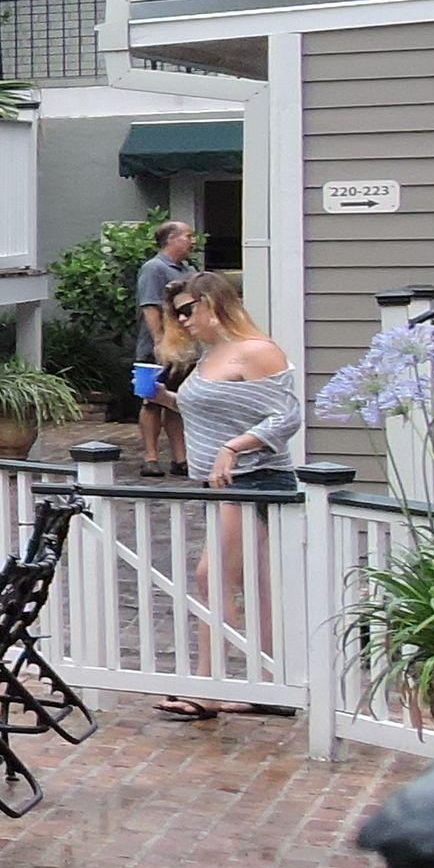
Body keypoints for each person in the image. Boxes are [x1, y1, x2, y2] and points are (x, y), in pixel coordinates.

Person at [156, 271, 300, 723]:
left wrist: (234, 447)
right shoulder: (212, 354)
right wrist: (165, 398)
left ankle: (208, 687)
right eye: (175, 315)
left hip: (255, 480)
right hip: (220, 484)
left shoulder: (258, 350)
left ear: (213, 303)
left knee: (210, 577)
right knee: (255, 585)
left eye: (186, 311)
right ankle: (274, 686)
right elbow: (214, 411)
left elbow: (287, 417)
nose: (182, 322)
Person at [133, 218, 198, 474]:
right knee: (151, 401)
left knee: (176, 401)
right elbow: (150, 306)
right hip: (157, 349)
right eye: (187, 236)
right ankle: (150, 458)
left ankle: (180, 459)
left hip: (185, 348)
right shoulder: (154, 268)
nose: (192, 241)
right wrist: (160, 341)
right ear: (171, 239)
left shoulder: (188, 269)